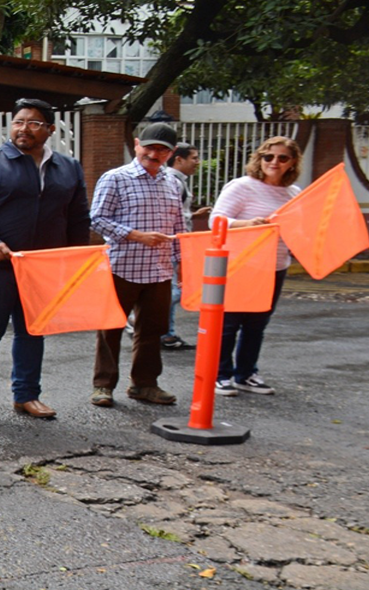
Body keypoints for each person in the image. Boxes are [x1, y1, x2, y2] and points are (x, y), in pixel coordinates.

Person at [0, 98, 91, 423]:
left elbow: (78, 217)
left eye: (33, 123)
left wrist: (72, 259)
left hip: (42, 266)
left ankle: (27, 395)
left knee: (32, 331)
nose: (23, 128)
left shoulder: (68, 167)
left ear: (50, 130)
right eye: (18, 121)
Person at [89, 122, 187, 408]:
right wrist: (136, 236)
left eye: (162, 149)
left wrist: (182, 262)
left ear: (171, 153)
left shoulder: (172, 182)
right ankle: (103, 386)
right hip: (121, 267)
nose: (154, 153)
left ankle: (144, 384)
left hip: (159, 270)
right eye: (149, 146)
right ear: (136, 144)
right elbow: (96, 219)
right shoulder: (116, 178)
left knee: (152, 331)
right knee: (110, 329)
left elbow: (178, 225)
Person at [209, 136, 303, 397]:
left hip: (275, 266)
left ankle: (246, 373)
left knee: (257, 324)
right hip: (242, 264)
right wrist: (247, 224)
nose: (274, 162)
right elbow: (215, 221)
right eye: (268, 156)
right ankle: (221, 375)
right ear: (259, 158)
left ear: (292, 162)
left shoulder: (293, 193)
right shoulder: (242, 187)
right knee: (229, 323)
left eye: (282, 158)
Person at [159, 142, 212, 349]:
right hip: (174, 243)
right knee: (176, 289)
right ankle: (139, 319)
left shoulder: (179, 181)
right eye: (194, 158)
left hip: (178, 242)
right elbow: (171, 214)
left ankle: (167, 334)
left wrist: (193, 215)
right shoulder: (173, 181)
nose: (197, 162)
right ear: (178, 159)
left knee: (174, 287)